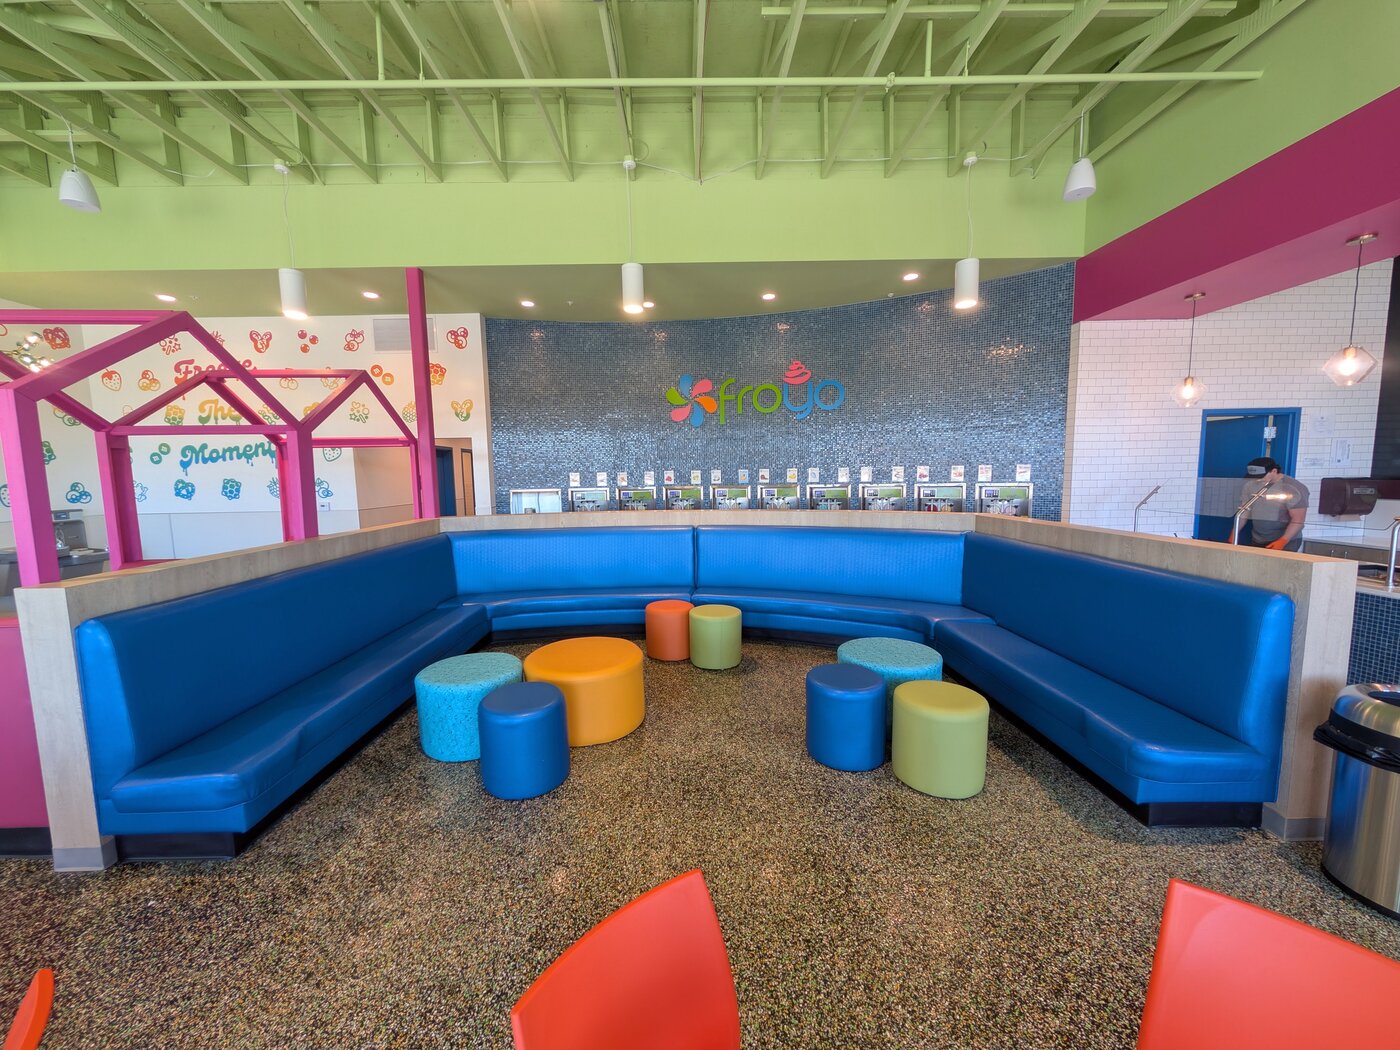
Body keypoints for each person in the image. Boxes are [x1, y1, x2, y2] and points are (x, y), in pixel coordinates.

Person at [1235, 456, 1308, 552]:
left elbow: (1298, 519)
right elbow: (1244, 511)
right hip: (1258, 539)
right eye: (1254, 477)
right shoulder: (1250, 485)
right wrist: (1234, 533)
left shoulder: (1293, 487)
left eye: (1261, 476)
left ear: (1274, 471)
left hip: (1286, 542)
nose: (1257, 480)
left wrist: (1283, 541)